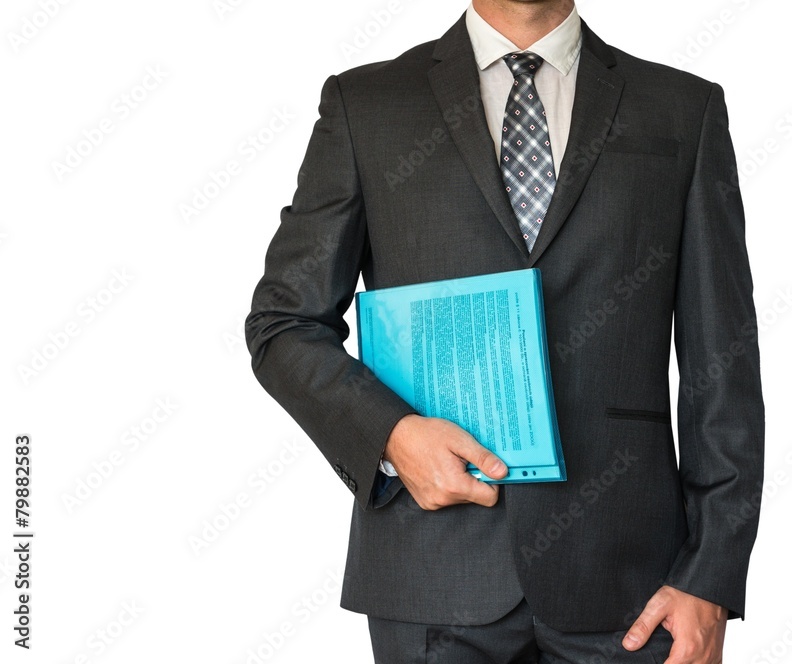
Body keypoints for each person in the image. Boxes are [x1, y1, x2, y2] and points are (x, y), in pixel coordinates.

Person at [245, 1, 765, 661]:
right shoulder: (369, 106)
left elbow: (724, 361)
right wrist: (392, 436)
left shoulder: (681, 109)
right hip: (432, 576)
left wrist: (710, 573)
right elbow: (283, 324)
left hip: (635, 586)